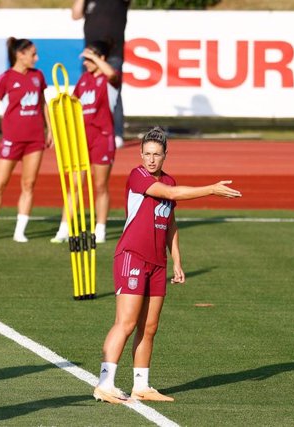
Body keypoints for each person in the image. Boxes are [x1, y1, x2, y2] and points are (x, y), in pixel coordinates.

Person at [93, 127, 241, 404]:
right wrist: (211, 189)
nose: (151, 159)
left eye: (156, 155)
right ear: (141, 154)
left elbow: (169, 223)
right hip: (132, 257)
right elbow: (172, 194)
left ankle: (141, 385)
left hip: (157, 263)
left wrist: (177, 261)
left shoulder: (169, 180)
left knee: (149, 327)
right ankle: (104, 383)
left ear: (164, 156)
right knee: (125, 323)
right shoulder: (138, 176)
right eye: (147, 154)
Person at [0, 38, 53, 243]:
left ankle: (20, 231)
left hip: (35, 139)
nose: (36, 58)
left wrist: (50, 129)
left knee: (29, 184)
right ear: (20, 55)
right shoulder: (6, 78)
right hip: (11, 139)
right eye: (33, 54)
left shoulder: (38, 76)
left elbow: (43, 104)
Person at [51, 41, 121, 244]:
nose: (87, 63)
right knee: (74, 185)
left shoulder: (109, 81)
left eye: (90, 59)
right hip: (81, 139)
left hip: (102, 138)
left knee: (100, 185)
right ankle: (64, 228)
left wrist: (96, 58)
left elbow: (113, 75)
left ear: (101, 58)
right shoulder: (84, 80)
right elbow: (71, 107)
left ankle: (100, 229)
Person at [71, 0, 130, 148]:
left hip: (113, 54)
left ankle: (116, 133)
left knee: (113, 93)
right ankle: (85, 131)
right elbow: (75, 15)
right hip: (91, 56)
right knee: (87, 94)